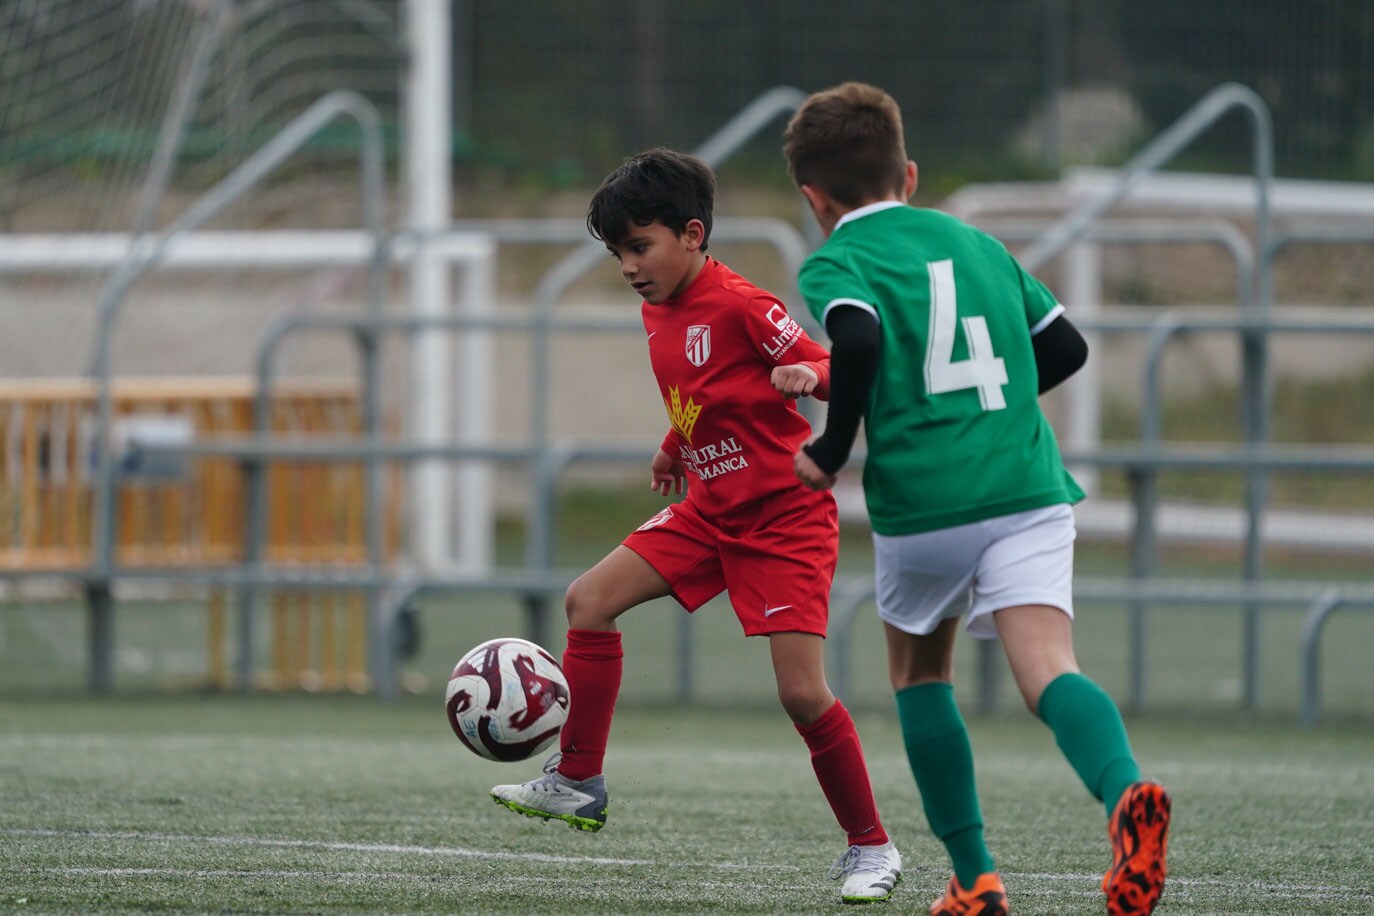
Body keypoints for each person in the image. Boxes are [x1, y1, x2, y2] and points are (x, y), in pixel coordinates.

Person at [781, 82, 1172, 916]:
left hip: (928, 501)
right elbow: (1064, 346)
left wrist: (833, 446)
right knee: (1049, 671)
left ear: (813, 198)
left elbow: (853, 335)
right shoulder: (981, 245)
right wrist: (992, 412)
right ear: (909, 174)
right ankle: (1126, 794)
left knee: (920, 673)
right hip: (1027, 485)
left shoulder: (838, 259)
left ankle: (975, 878)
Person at [490, 147, 903, 905]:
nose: (628, 266)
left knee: (802, 696)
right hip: (709, 509)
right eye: (617, 253)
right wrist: (674, 446)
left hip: (783, 517)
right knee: (589, 600)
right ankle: (578, 778)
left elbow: (846, 367)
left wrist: (809, 375)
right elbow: (702, 392)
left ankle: (871, 846)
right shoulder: (657, 309)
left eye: (639, 247)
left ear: (691, 232)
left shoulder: (745, 303)